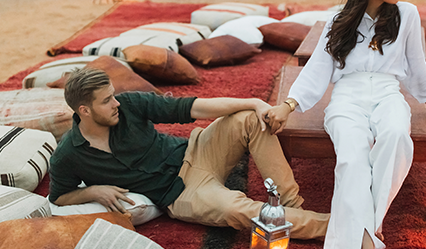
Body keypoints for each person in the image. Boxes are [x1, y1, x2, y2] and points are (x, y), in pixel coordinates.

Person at [265, 0, 426, 249]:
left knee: (397, 137)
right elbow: (318, 69)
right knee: (352, 161)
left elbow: (416, 64)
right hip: (347, 98)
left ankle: (364, 230)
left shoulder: (407, 15)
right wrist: (288, 105)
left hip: (387, 93)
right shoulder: (340, 20)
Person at [51, 67, 329, 239]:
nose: (116, 103)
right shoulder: (68, 155)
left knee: (250, 118)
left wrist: (254, 102)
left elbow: (193, 107)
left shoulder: (129, 104)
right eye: (106, 100)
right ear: (84, 111)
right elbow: (60, 196)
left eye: (113, 95)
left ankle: (294, 208)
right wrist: (94, 192)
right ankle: (334, 229)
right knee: (237, 209)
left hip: (198, 150)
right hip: (182, 193)